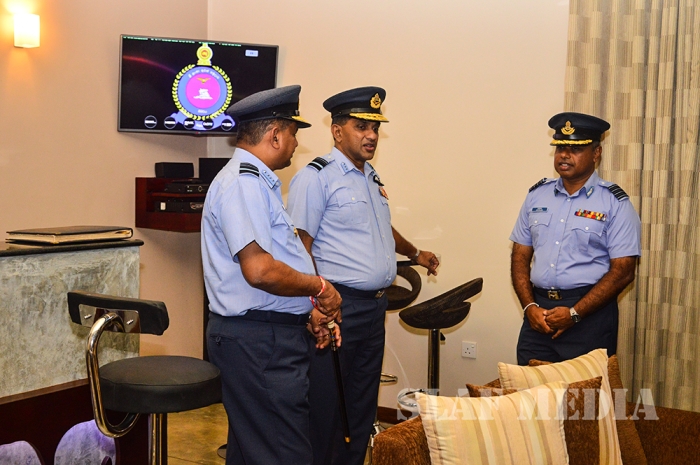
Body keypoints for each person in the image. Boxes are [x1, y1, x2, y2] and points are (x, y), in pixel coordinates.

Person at [287, 86, 440, 465]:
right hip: (337, 308)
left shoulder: (370, 176)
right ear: (337, 131)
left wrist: (415, 253)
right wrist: (316, 305)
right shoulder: (317, 177)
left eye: (375, 127)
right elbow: (300, 246)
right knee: (327, 406)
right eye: (361, 127)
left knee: (360, 405)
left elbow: (381, 228)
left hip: (373, 310)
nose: (371, 135)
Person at [201, 85, 343, 465]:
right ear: (275, 135)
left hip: (264, 335)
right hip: (259, 343)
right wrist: (320, 287)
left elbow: (273, 264)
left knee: (254, 452)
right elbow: (260, 271)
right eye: (294, 133)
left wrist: (306, 312)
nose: (296, 143)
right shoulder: (243, 184)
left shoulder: (256, 183)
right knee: (285, 453)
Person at [510, 112, 641, 366]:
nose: (564, 155)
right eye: (560, 148)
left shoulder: (614, 202)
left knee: (586, 391)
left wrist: (574, 313)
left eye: (576, 149)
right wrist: (529, 307)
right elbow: (519, 256)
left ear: (596, 153)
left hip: (589, 317)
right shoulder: (537, 196)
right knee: (530, 388)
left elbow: (624, 271)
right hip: (538, 316)